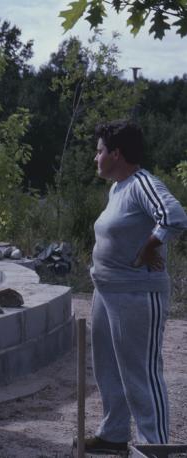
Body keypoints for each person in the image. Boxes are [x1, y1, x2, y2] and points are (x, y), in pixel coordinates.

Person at [85, 120, 187, 453]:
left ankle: (154, 447)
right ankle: (114, 434)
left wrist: (150, 246)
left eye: (99, 151)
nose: (95, 157)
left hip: (136, 294)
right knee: (109, 370)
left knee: (142, 375)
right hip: (107, 291)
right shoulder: (117, 189)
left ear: (116, 153)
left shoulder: (142, 182)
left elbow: (174, 215)